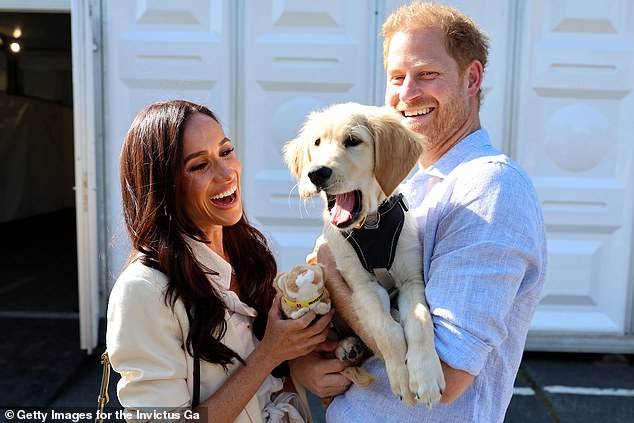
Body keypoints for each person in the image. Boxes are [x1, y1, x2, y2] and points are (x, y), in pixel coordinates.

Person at [289, 2, 547, 422]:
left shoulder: (489, 188)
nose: (407, 94)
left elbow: (445, 373)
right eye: (396, 77)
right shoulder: (394, 179)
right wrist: (306, 367)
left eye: (427, 74)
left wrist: (333, 276)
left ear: (472, 79)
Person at [106, 100, 333, 423]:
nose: (227, 173)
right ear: (163, 186)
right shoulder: (142, 290)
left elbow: (272, 376)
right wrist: (269, 353)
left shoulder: (248, 253)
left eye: (226, 152)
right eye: (199, 166)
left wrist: (300, 356)